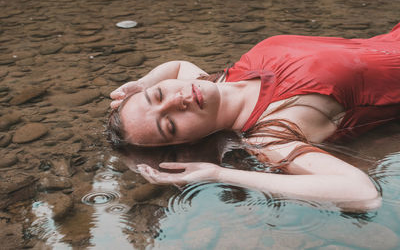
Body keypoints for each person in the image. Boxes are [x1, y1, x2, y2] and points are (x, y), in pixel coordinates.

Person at [107, 22, 400, 211]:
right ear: (189, 141)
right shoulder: (270, 134)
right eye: (170, 124)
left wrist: (144, 83)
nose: (177, 99)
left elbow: (176, 65)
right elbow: (360, 191)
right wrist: (219, 174)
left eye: (158, 95)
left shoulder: (219, 81)